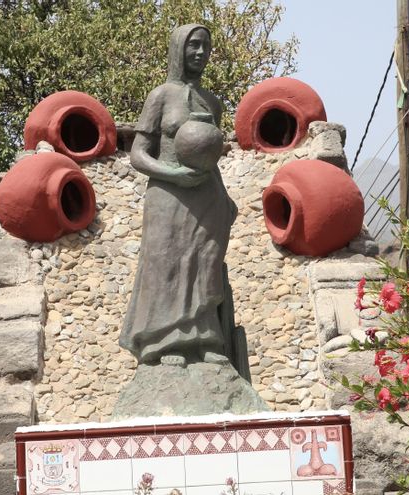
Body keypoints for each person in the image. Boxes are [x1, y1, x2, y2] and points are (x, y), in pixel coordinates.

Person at [120, 24, 240, 368]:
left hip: (207, 195)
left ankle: (205, 339)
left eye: (205, 47)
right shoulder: (160, 96)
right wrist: (173, 174)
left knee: (205, 264)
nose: (200, 53)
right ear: (178, 49)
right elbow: (139, 154)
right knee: (166, 263)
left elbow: (211, 153)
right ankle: (163, 341)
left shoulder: (213, 103)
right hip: (168, 193)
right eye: (193, 46)